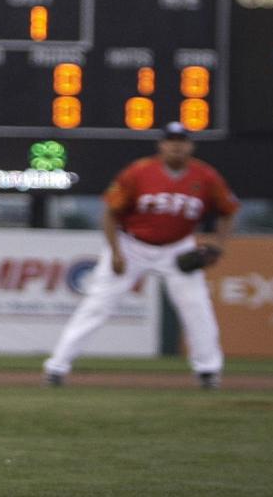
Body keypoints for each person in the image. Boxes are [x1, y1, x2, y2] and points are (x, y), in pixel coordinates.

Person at [43, 122, 238, 389]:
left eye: (181, 140)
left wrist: (218, 245)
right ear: (162, 145)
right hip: (132, 245)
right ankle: (57, 367)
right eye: (171, 140)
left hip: (177, 247)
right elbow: (111, 214)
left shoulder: (205, 177)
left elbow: (228, 210)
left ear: (190, 145)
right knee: (97, 306)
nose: (176, 145)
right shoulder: (139, 172)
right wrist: (116, 252)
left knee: (197, 307)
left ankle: (208, 371)